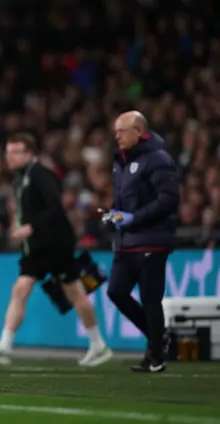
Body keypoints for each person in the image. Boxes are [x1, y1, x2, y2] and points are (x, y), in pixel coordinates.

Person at [0, 133, 112, 367]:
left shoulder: (39, 174)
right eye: (8, 152)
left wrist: (29, 227)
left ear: (30, 154)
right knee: (21, 289)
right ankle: (4, 345)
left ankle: (98, 344)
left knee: (75, 292)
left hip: (55, 244)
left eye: (16, 152)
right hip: (36, 248)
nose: (10, 157)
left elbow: (56, 207)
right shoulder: (20, 179)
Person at [104, 111, 179, 373]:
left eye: (121, 131)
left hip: (152, 240)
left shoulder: (157, 159)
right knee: (116, 291)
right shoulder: (121, 161)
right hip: (127, 241)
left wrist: (135, 217)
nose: (117, 136)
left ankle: (155, 356)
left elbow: (169, 199)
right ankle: (158, 337)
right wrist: (113, 214)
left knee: (150, 299)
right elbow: (125, 200)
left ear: (139, 131)